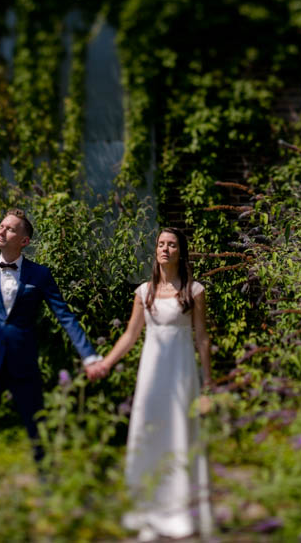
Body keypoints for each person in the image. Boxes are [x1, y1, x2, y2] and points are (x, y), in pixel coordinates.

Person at [0, 208, 107, 466]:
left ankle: (48, 485)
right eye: (1, 226)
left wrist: (89, 355)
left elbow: (65, 316)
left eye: (10, 228)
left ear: (24, 241)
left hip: (24, 364)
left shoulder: (40, 275)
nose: (2, 231)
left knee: (37, 429)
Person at [97, 227, 214, 540]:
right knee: (148, 432)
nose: (165, 249)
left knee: (180, 433)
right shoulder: (143, 292)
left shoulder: (195, 291)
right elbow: (130, 335)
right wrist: (106, 362)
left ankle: (180, 512)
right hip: (151, 373)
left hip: (182, 373)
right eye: (161, 244)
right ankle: (146, 509)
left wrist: (207, 383)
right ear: (156, 251)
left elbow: (202, 338)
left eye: (171, 244)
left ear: (180, 251)